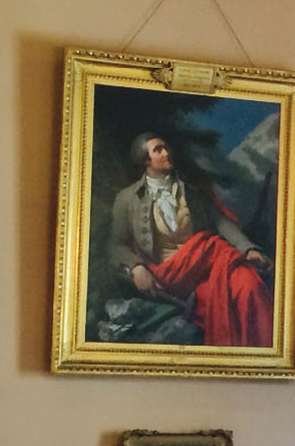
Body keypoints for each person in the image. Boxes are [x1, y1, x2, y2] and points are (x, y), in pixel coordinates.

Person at [108, 133, 273, 348]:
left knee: (249, 285)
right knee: (220, 289)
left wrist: (247, 248)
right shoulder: (127, 199)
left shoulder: (191, 192)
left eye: (166, 147)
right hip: (173, 276)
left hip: (212, 265)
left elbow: (221, 222)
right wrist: (136, 267)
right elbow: (116, 245)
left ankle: (262, 359)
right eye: (158, 150)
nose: (166, 153)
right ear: (145, 160)